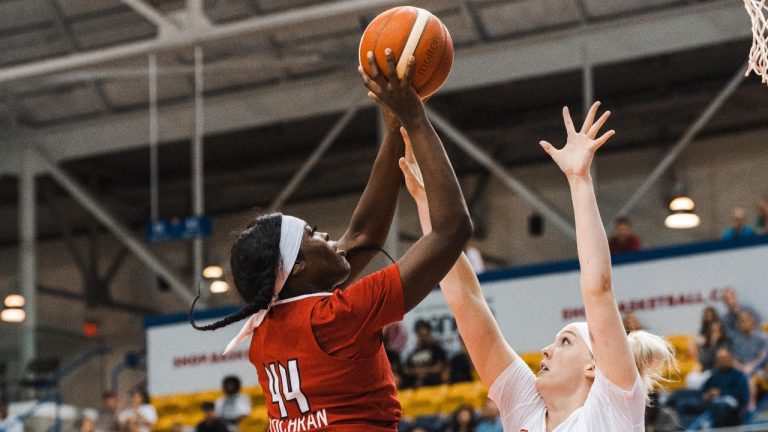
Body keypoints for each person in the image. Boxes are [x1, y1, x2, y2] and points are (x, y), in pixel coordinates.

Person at [190, 49, 472, 431]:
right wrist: (416, 119)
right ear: (297, 266)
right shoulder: (339, 318)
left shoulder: (265, 328)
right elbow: (452, 228)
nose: (327, 236)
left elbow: (363, 236)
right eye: (311, 234)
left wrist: (394, 128)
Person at [400, 101, 676, 431]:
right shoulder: (526, 408)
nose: (546, 350)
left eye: (565, 342)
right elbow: (466, 303)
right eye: (558, 340)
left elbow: (597, 289)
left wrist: (579, 180)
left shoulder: (612, 407)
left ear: (593, 366)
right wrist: (427, 203)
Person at [701, 347, 749, 427]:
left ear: (730, 359)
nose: (722, 361)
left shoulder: (739, 376)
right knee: (683, 399)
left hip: (732, 409)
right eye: (720, 359)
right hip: (713, 403)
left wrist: (720, 392)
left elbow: (741, 396)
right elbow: (705, 390)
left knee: (720, 407)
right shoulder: (714, 375)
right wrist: (707, 394)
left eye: (724, 358)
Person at [403, 320, 447, 388]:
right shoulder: (413, 352)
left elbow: (439, 367)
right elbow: (406, 370)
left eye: (424, 334)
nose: (422, 336)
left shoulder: (437, 349)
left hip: (433, 385)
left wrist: (424, 370)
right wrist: (417, 371)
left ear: (429, 333)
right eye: (420, 334)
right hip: (415, 386)